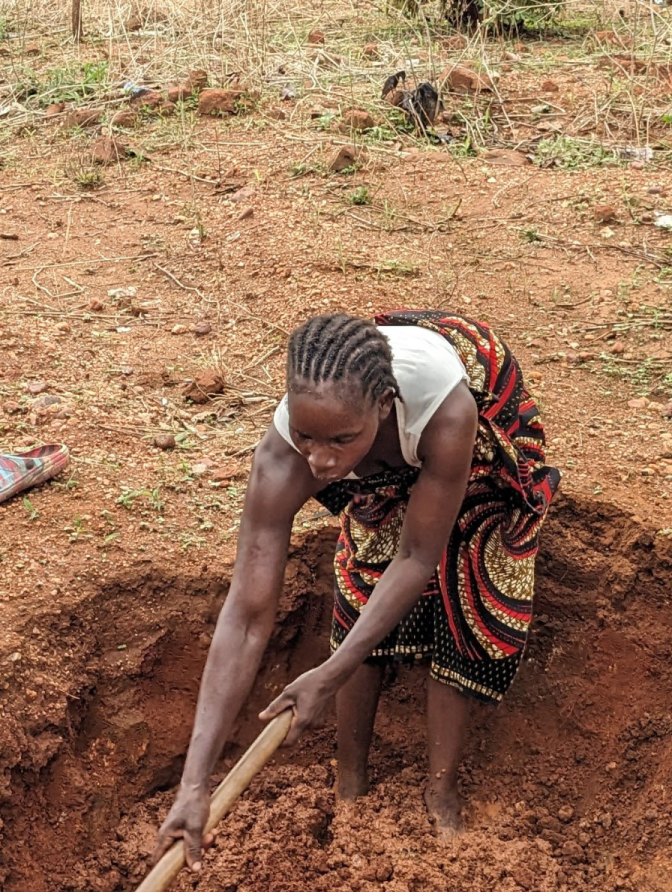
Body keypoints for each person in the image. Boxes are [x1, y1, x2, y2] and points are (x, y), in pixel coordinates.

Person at [156, 311, 558, 853]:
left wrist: (330, 674)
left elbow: (418, 556)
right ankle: (351, 786)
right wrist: (194, 784)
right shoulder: (284, 457)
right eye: (306, 436)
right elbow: (247, 615)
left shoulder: (447, 412)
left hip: (478, 431)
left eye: (340, 440)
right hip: (389, 444)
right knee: (362, 582)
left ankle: (441, 790)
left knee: (468, 576)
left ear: (384, 407)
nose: (320, 461)